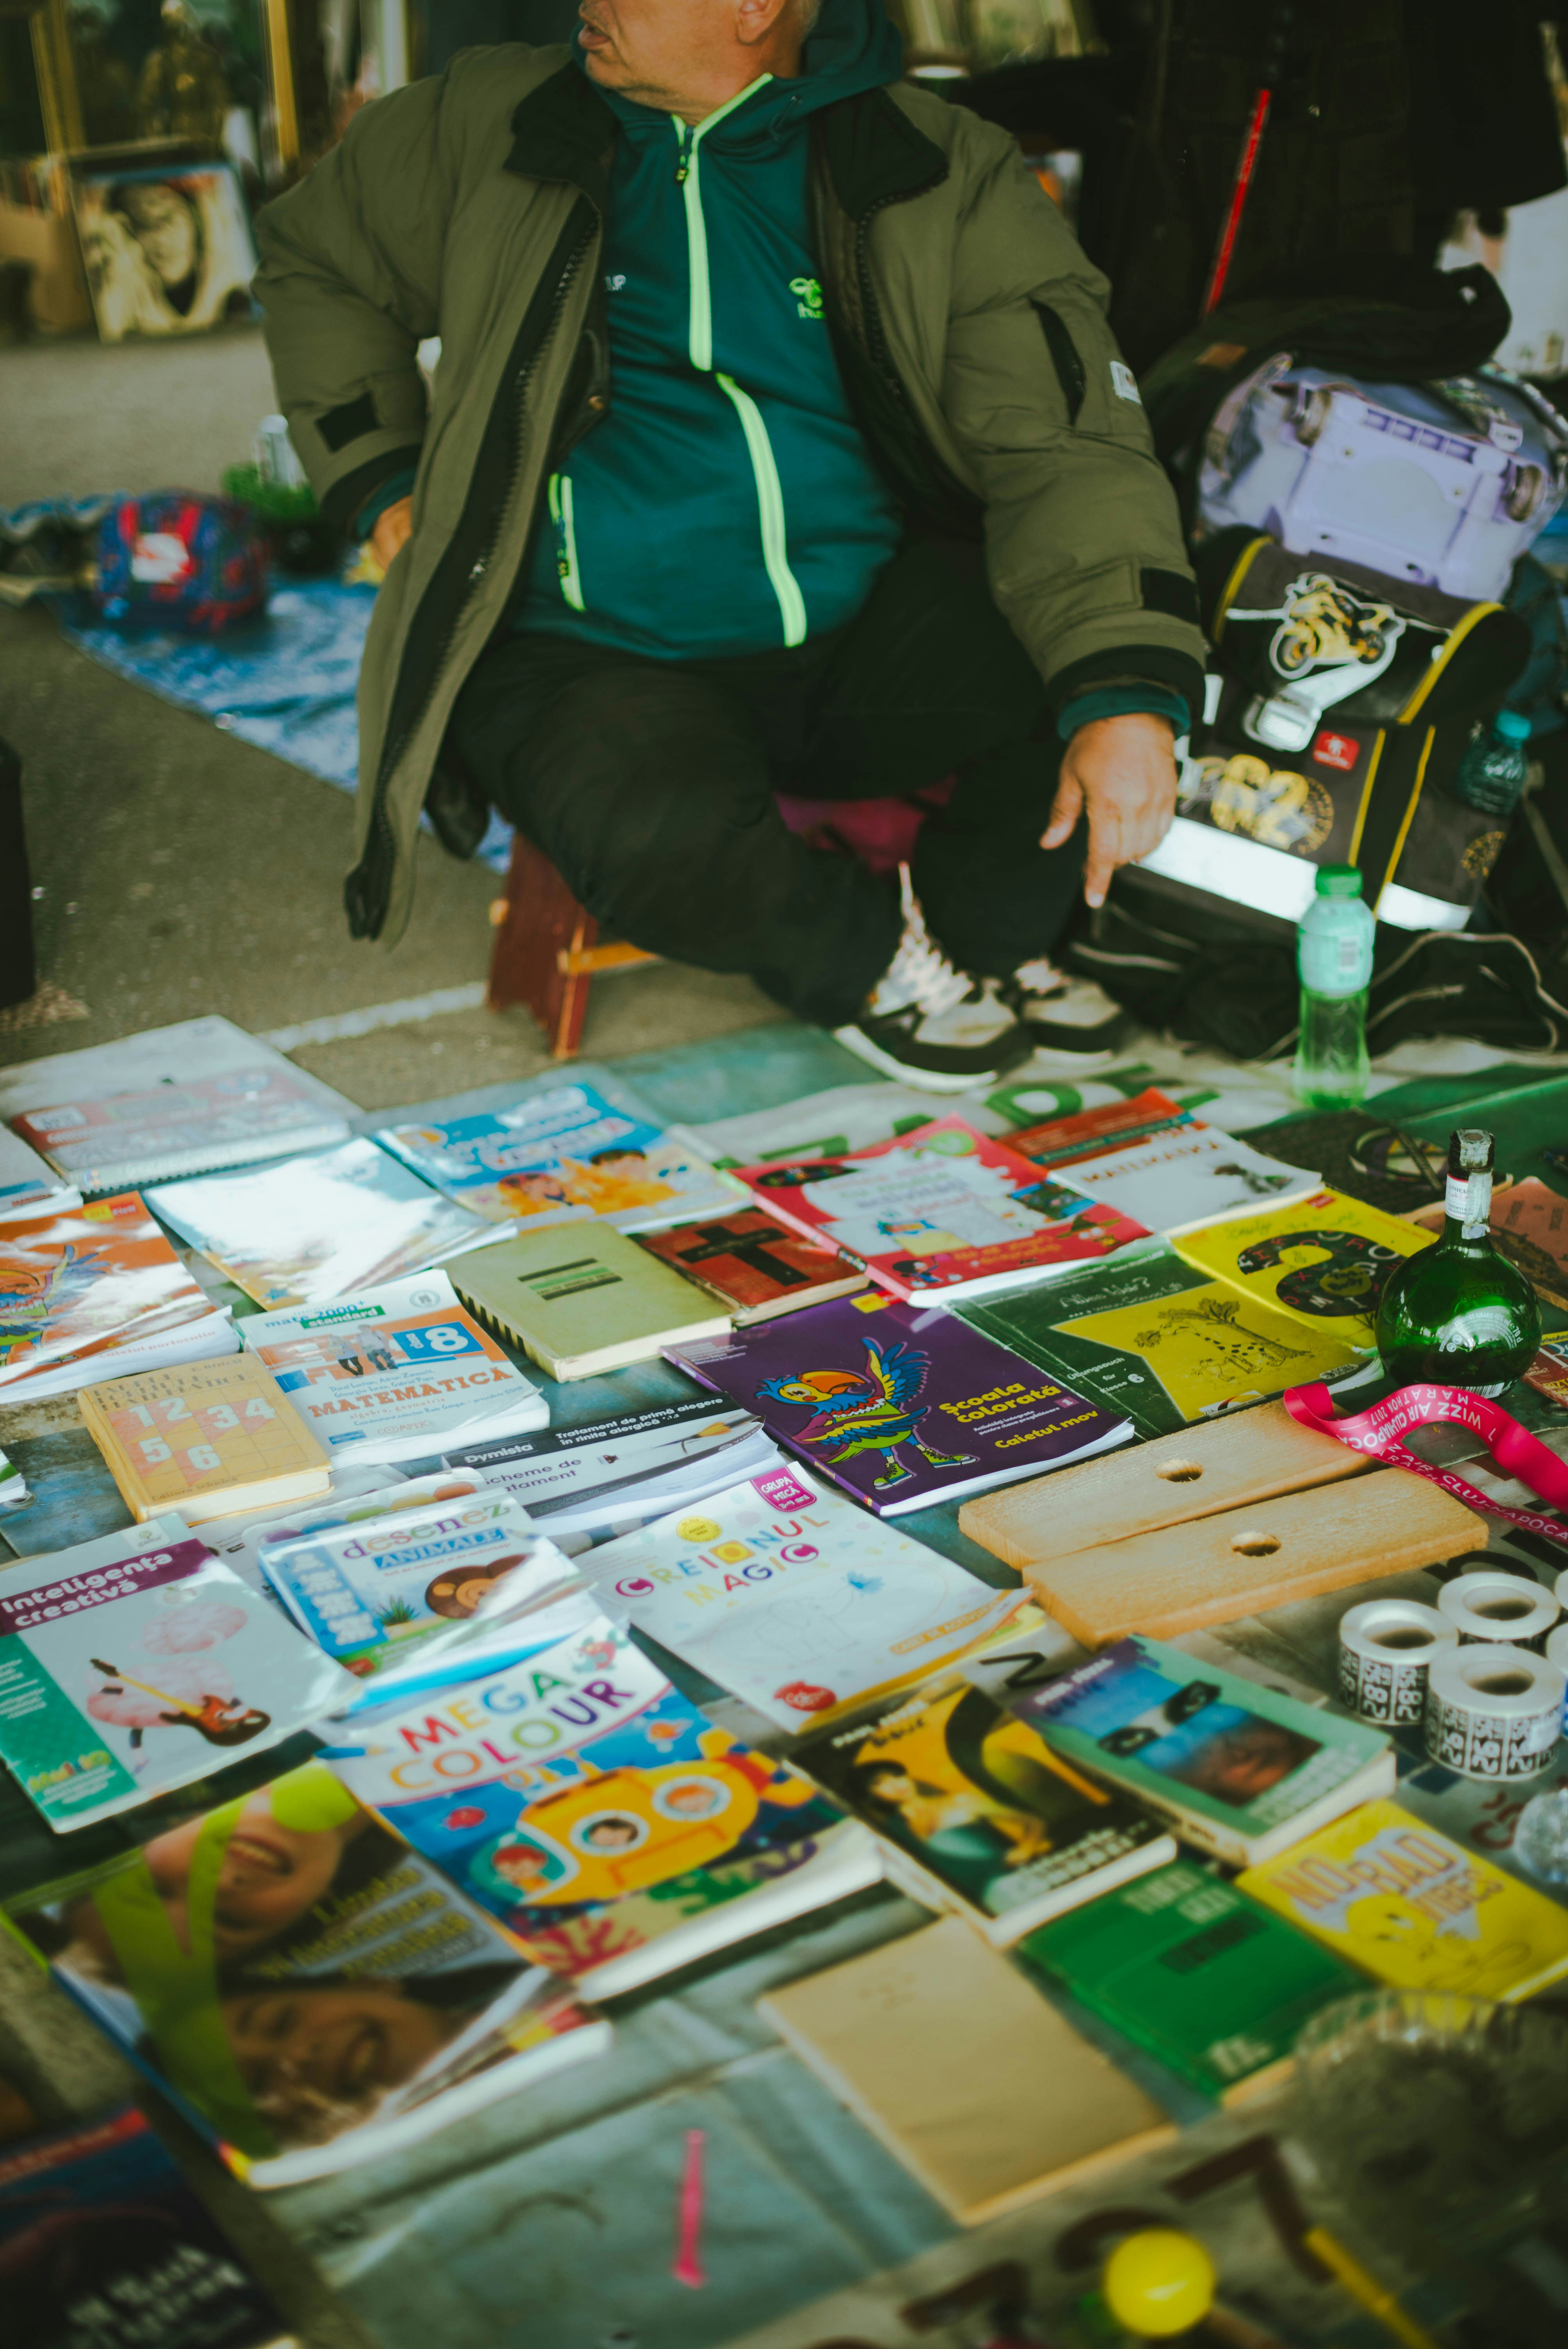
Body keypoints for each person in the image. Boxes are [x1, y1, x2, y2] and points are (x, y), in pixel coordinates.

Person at [255, 0, 1205, 1089]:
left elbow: (1065, 438)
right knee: (653, 829)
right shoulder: (490, 121)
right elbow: (314, 256)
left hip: (854, 626)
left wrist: (1126, 696)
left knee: (1111, 656)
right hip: (588, 651)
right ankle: (866, 957)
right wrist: (378, 472)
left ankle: (983, 943)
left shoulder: (931, 164)